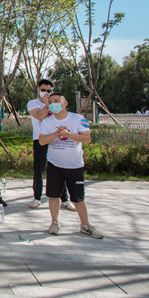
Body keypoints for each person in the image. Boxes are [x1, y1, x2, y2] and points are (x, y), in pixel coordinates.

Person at [40, 94, 103, 238]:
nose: (53, 104)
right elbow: (42, 141)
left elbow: (87, 138)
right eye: (50, 102)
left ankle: (85, 225)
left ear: (65, 103)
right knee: (53, 195)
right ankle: (54, 222)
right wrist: (57, 133)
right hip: (55, 164)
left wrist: (69, 134)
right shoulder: (47, 122)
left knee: (78, 197)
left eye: (56, 101)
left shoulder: (78, 119)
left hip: (75, 166)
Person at [28, 79, 73, 210]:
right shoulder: (33, 103)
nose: (46, 93)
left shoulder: (56, 103)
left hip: (56, 138)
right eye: (43, 90)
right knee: (39, 169)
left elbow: (61, 116)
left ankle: (64, 199)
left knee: (60, 168)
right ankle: (37, 197)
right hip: (40, 139)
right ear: (38, 90)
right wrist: (47, 105)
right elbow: (39, 116)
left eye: (49, 91)